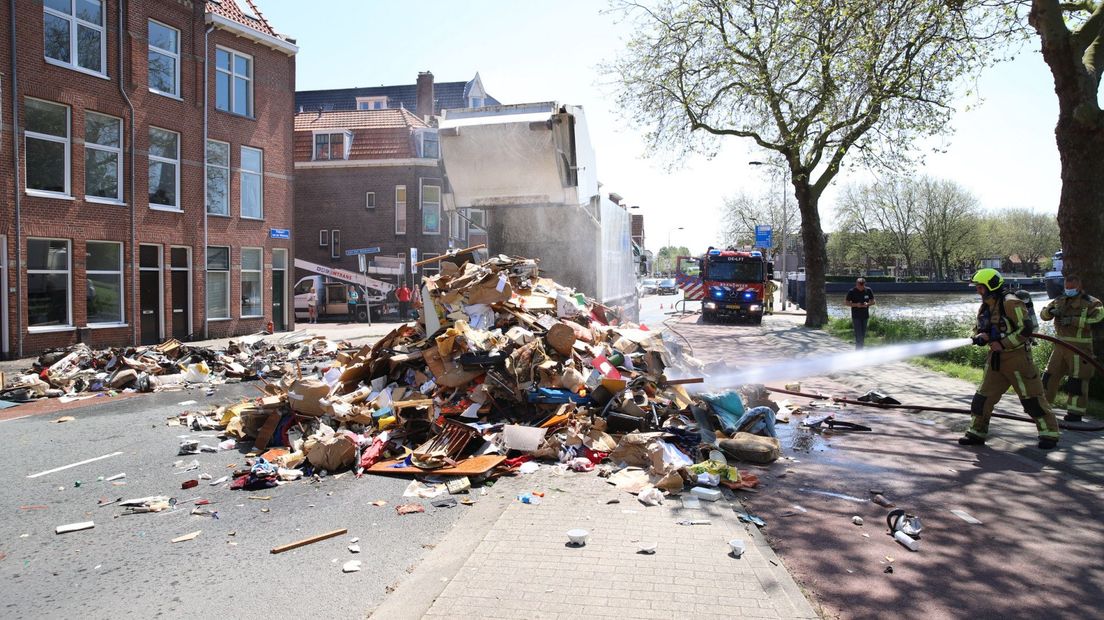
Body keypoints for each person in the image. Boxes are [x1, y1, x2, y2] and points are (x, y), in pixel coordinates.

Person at [960, 268, 1061, 450]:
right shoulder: (986, 305)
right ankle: (977, 432)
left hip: (1018, 359)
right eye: (977, 287)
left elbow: (1025, 330)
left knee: (1032, 399)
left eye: (980, 287)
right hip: (996, 361)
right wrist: (981, 335)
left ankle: (1049, 434)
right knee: (982, 398)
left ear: (991, 286)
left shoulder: (1011, 303)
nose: (978, 291)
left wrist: (1004, 343)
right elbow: (980, 327)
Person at [1040, 274, 1104, 422]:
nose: (1068, 290)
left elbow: (1097, 320)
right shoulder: (1059, 300)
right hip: (1060, 345)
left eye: (1071, 287)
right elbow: (1043, 315)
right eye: (1066, 287)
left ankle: (1075, 413)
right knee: (1049, 376)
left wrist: (1073, 320)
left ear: (1079, 286)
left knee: (1077, 381)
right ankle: (1042, 407)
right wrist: (1050, 312)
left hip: (1080, 347)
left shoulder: (1092, 303)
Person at [844, 277, 875, 349]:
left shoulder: (868, 290)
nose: (860, 287)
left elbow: (873, 301)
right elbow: (846, 303)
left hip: (865, 316)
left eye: (862, 286)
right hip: (856, 316)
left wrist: (867, 304)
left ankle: (860, 350)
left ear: (864, 284)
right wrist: (856, 305)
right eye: (858, 285)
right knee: (859, 335)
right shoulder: (851, 291)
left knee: (863, 335)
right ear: (856, 284)